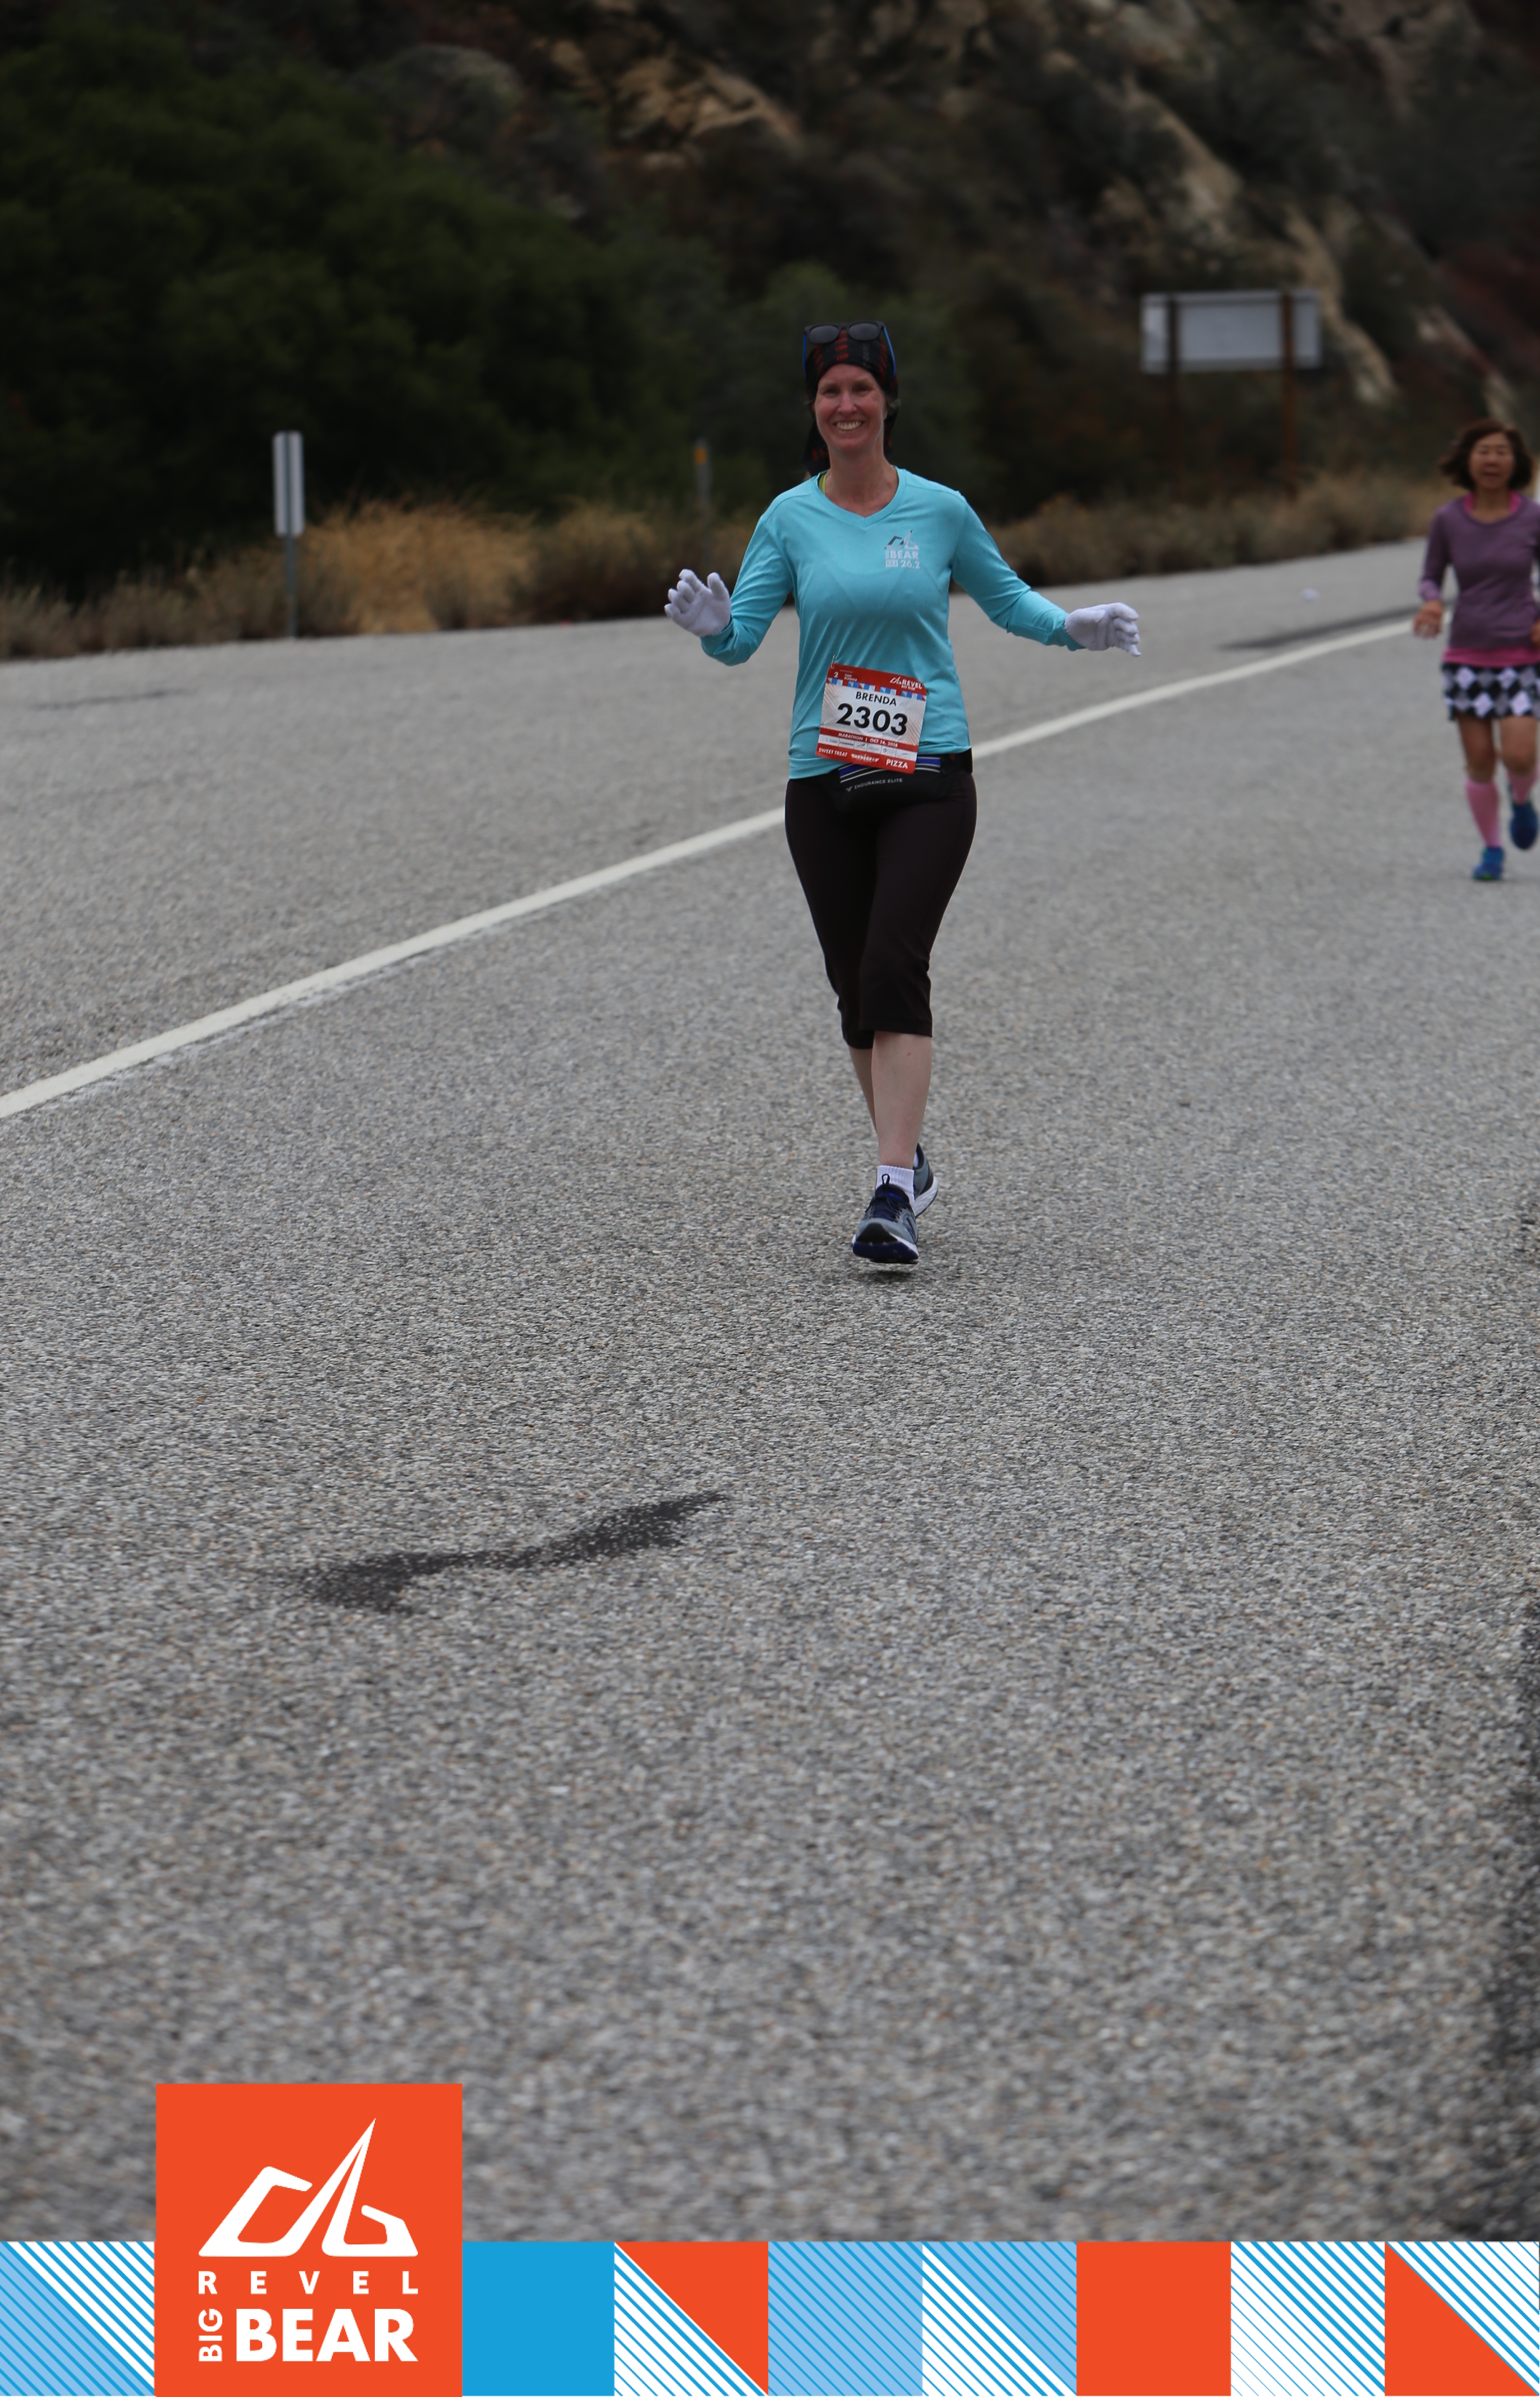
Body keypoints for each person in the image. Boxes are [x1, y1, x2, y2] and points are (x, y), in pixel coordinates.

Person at [664, 320, 1140, 1267]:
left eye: (861, 388)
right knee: (855, 990)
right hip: (823, 777)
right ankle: (907, 1154)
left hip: (929, 774)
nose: (846, 405)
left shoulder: (940, 510)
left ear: (887, 400)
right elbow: (742, 638)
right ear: (813, 407)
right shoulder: (787, 519)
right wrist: (714, 628)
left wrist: (1071, 627)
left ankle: (889, 1192)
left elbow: (1006, 599)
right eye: (830, 390)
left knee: (893, 964)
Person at [1414, 417, 1540, 881]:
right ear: (1468, 460)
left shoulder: (1533, 517)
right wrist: (1431, 600)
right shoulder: (1449, 519)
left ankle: (1522, 800)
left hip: (1522, 655)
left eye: (1502, 452)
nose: (1492, 460)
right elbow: (1431, 574)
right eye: (1483, 451)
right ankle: (1491, 850)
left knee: (1520, 756)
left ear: (1515, 462)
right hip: (1467, 656)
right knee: (1481, 762)